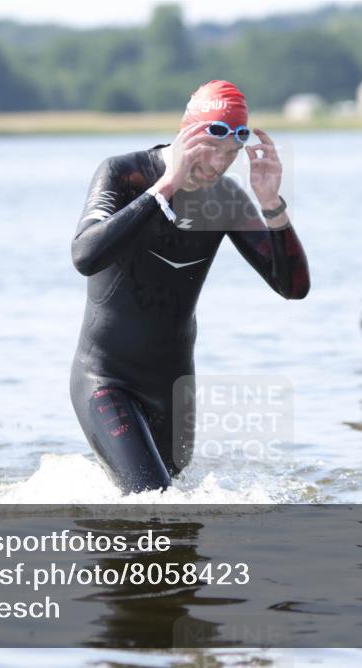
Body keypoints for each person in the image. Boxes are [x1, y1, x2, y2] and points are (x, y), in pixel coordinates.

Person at [70, 80, 310, 495]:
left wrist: (272, 204)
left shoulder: (225, 199)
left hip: (174, 387)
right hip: (107, 380)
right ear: (186, 132)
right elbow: (85, 255)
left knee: (179, 517)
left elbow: (293, 287)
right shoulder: (124, 173)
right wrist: (167, 185)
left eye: (230, 155)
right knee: (154, 501)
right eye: (209, 150)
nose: (218, 165)